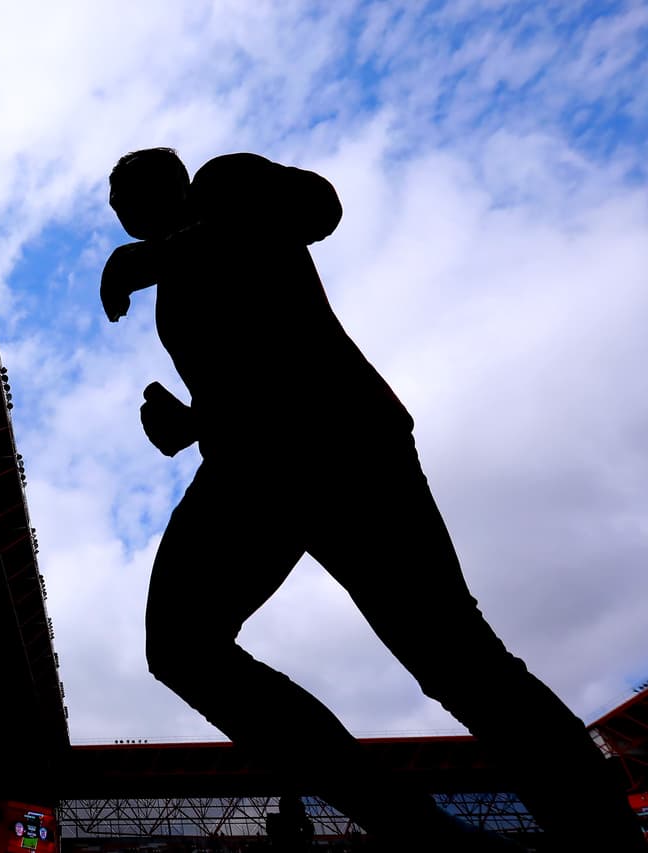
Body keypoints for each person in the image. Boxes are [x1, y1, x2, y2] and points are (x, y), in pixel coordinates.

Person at [100, 147, 644, 851]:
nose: (117, 206)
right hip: (252, 464)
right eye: (111, 199)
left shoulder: (223, 185)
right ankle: (423, 832)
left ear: (166, 183)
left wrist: (169, 253)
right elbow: (261, 362)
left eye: (124, 188)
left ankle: (601, 833)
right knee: (181, 646)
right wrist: (190, 422)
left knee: (453, 654)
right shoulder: (176, 275)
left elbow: (317, 205)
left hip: (342, 442)